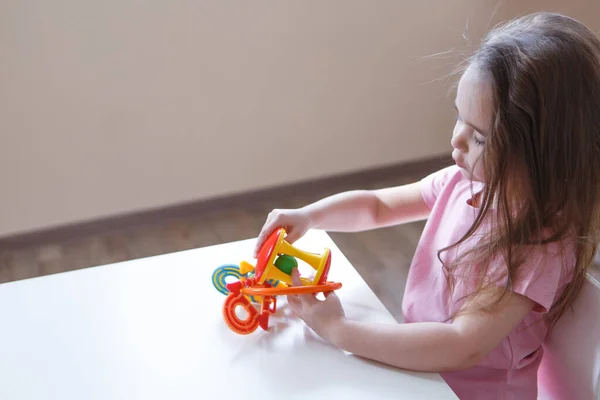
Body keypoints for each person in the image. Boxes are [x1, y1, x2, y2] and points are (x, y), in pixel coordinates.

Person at [252, 12, 600, 399]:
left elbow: (461, 344)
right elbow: (378, 206)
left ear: (543, 155)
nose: (456, 140)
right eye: (459, 116)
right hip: (421, 372)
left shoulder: (535, 247)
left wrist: (340, 330)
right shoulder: (464, 181)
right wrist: (310, 216)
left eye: (479, 138)